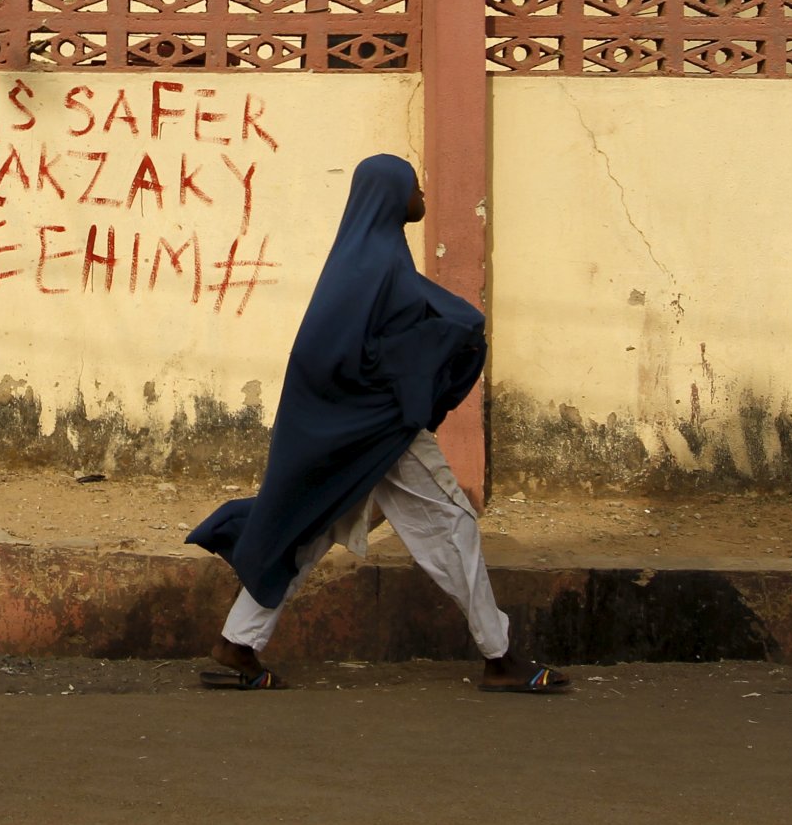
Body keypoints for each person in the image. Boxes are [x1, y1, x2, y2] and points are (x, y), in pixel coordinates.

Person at [187, 154, 568, 694]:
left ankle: (238, 641)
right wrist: (456, 337)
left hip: (351, 426)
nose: (424, 195)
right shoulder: (378, 264)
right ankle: (499, 656)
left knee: (313, 523)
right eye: (416, 186)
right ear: (393, 196)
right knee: (452, 526)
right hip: (381, 428)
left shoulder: (363, 259)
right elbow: (382, 342)